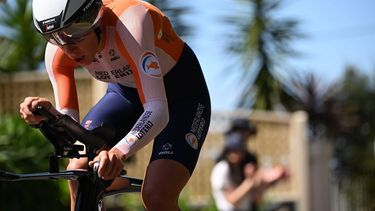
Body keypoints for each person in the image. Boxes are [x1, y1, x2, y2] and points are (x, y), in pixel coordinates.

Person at [19, 0, 211, 210]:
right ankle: (106, 183)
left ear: (94, 17)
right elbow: (73, 142)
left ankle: (115, 181)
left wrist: (119, 152)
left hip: (181, 96)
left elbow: (158, 110)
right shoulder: (56, 52)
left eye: (74, 31)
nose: (68, 47)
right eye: (53, 36)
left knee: (157, 195)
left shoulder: (130, 23)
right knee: (78, 168)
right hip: (125, 95)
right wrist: (51, 117)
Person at [211, 119, 289, 211]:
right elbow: (231, 199)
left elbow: (255, 195)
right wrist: (250, 182)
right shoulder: (222, 167)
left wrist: (269, 179)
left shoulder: (248, 160)